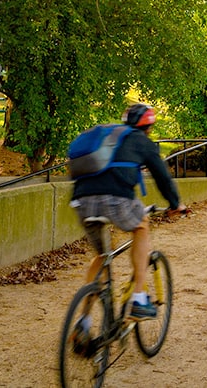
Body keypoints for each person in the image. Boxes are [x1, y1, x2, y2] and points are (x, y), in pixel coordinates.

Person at [70, 103, 188, 321]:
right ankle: (139, 299)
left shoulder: (109, 137)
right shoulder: (142, 141)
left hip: (81, 200)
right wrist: (175, 204)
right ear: (149, 127)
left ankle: (82, 321)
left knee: (103, 256)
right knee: (142, 225)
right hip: (115, 199)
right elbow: (162, 177)